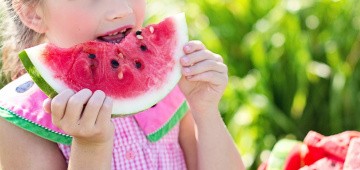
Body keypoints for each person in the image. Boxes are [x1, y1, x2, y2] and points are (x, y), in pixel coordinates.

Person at [0, 0, 245, 169]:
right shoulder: (19, 119)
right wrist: (90, 146)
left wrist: (206, 111)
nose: (120, 9)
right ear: (32, 13)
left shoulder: (170, 87)